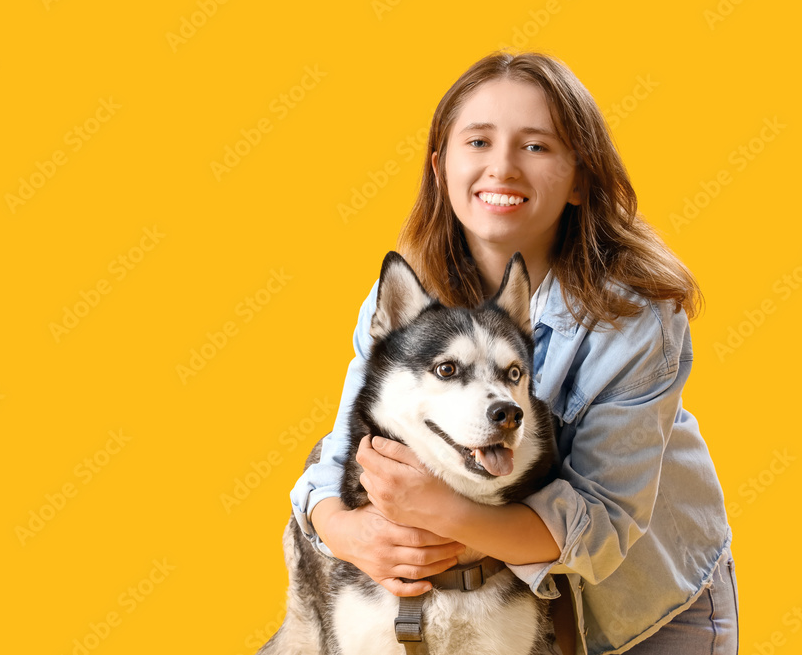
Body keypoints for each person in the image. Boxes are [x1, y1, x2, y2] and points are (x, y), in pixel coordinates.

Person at [288, 51, 738, 655]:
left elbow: (601, 529)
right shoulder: (404, 300)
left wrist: (438, 514)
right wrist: (346, 530)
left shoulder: (635, 315)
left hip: (644, 610)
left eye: (536, 147)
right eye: (477, 141)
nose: (501, 168)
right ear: (440, 166)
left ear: (580, 178)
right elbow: (343, 454)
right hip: (492, 597)